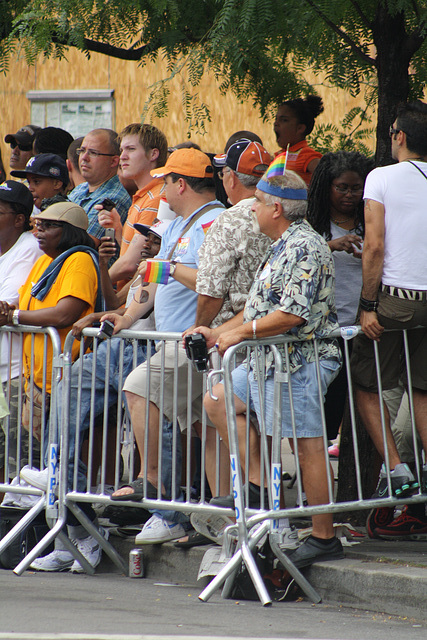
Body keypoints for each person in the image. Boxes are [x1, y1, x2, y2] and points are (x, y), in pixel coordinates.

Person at [194, 168, 344, 569]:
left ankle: (324, 537)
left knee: (307, 446)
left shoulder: (305, 247)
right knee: (219, 399)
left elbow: (290, 314)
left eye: (258, 202)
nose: (252, 208)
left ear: (275, 208)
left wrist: (239, 334)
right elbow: (257, 307)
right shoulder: (280, 243)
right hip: (271, 361)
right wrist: (215, 332)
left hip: (301, 359)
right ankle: (260, 486)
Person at [18, 219, 174, 572]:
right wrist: (110, 304)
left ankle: (168, 511)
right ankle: (66, 499)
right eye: (144, 237)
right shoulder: (150, 269)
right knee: (69, 386)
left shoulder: (174, 265)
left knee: (152, 417)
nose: (145, 243)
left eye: (154, 237)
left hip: (155, 350)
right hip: (123, 344)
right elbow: (121, 303)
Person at [107, 148, 224, 544]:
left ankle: (151, 481)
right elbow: (153, 281)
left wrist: (170, 268)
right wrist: (126, 317)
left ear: (182, 183)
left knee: (138, 387)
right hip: (174, 342)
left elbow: (212, 282)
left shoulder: (216, 222)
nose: (161, 188)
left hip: (198, 342)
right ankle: (216, 522)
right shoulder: (175, 226)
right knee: (207, 430)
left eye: (166, 180)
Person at [350, 100, 427, 536]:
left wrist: (368, 304)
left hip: (397, 301)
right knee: (421, 389)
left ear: (398, 135)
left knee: (364, 381)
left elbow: (375, 246)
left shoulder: (380, 176)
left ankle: (397, 469)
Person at [191, 139, 272, 495]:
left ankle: (240, 504)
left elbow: (210, 291)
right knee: (254, 421)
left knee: (221, 418)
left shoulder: (230, 220)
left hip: (227, 338)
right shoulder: (282, 213)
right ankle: (253, 502)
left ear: (230, 178)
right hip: (267, 334)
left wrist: (200, 328)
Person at [307, 151, 374, 444]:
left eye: (355, 188)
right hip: (325, 333)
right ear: (327, 187)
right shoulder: (313, 225)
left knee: (364, 406)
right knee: (325, 412)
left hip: (361, 329)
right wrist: (331, 245)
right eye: (341, 187)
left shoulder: (370, 223)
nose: (349, 195)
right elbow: (298, 258)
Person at [0, 181, 43, 480]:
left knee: (20, 465)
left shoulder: (30, 248)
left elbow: (6, 304)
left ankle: (27, 527)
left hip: (14, 375)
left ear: (18, 219)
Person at [100, 123, 168, 289]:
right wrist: (118, 228)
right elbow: (135, 252)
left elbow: (130, 264)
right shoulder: (144, 194)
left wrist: (95, 285)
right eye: (122, 150)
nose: (122, 156)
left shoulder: (156, 197)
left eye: (130, 149)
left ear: (153, 154)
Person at [68, 128, 131, 245]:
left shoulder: (113, 198)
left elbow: (82, 245)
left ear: (113, 161)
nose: (84, 158)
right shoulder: (80, 189)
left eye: (93, 153)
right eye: (82, 151)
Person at [273, 95, 323, 185]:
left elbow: (328, 175)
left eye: (284, 120)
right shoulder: (278, 155)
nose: (276, 123)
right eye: (276, 119)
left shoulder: (305, 156)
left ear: (300, 128)